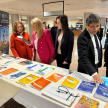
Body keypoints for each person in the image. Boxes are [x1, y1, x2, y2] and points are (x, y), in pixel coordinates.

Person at [77, 14, 103, 84]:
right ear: (86, 25)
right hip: (86, 68)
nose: (96, 29)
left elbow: (97, 48)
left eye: (97, 26)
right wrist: (94, 73)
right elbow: (83, 57)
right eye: (93, 27)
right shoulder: (82, 37)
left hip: (95, 65)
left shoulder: (95, 33)